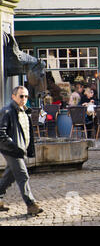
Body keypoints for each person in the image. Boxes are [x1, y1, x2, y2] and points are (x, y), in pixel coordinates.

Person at [0, 86, 43, 216]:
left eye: (26, 96)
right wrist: (14, 147)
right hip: (12, 150)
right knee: (23, 175)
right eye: (21, 96)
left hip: (20, 150)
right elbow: (1, 133)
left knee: (9, 176)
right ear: (13, 96)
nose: (24, 99)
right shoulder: (7, 111)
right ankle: (31, 205)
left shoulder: (25, 111)